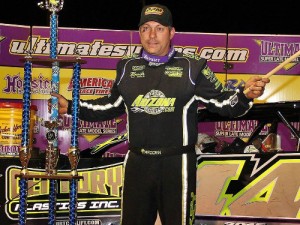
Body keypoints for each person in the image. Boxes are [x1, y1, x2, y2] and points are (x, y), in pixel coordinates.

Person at [50, 3, 270, 225]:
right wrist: (71, 107)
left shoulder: (193, 67)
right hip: (137, 163)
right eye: (145, 28)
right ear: (139, 33)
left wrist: (244, 95)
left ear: (171, 32)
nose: (152, 35)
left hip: (177, 163)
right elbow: (112, 105)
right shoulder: (126, 67)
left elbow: (224, 104)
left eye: (159, 28)